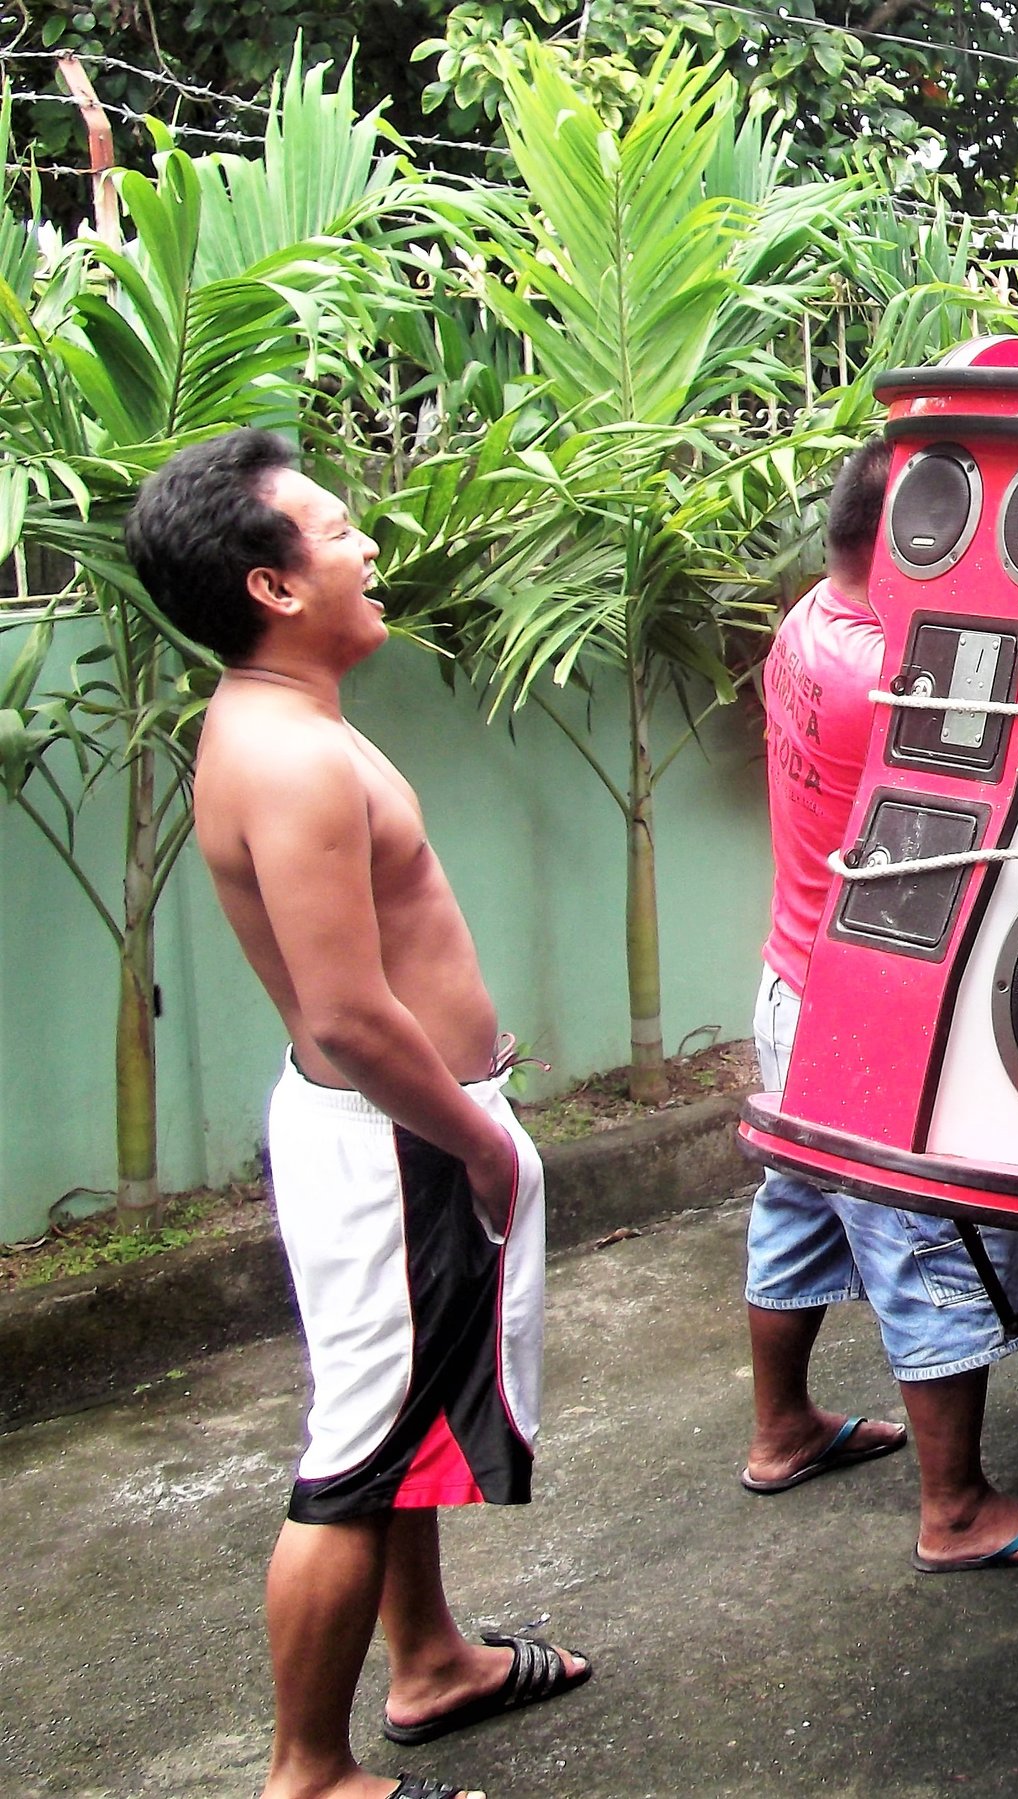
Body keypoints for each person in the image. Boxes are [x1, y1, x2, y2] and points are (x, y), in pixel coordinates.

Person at [126, 431, 590, 1799]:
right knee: (355, 1449)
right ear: (272, 585)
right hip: (396, 1138)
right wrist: (480, 1134)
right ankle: (306, 1769)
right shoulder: (292, 756)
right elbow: (345, 1011)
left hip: (400, 1131)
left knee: (399, 1416)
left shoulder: (286, 720)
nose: (368, 544)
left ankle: (432, 1656)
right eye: (336, 530)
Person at [742, 433, 1018, 1572]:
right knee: (924, 1235)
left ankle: (781, 1427)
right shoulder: (890, 679)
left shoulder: (811, 623)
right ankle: (955, 1508)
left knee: (798, 1207)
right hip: (871, 1013)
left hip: (795, 984)